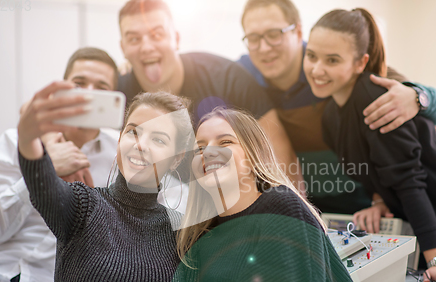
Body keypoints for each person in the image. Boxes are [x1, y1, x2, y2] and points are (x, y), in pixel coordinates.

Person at [238, 0, 436, 232]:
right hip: (315, 210)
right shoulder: (245, 79)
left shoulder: (337, 64)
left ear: (298, 31)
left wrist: (418, 97)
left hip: (370, 208)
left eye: (274, 34)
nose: (264, 47)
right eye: (253, 38)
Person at [304, 8, 436, 282]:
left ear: (360, 63)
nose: (317, 69)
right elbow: (377, 168)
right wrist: (379, 199)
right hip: (434, 233)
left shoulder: (374, 101)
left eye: (332, 60)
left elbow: (409, 182)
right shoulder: (332, 116)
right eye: (311, 56)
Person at [167, 109, 361, 282]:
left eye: (225, 142)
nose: (208, 152)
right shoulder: (202, 231)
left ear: (252, 156)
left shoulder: (280, 209)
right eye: (200, 148)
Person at [17, 89, 193, 282]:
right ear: (120, 138)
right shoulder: (82, 206)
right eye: (133, 132)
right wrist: (28, 137)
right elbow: (42, 182)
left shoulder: (182, 231)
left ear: (176, 158)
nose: (140, 145)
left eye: (159, 139)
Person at [0, 47, 120, 282]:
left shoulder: (121, 154)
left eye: (101, 88)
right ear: (62, 90)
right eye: (79, 84)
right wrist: (42, 168)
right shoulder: (18, 140)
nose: (88, 94)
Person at [117, 0, 307, 195]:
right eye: (134, 39)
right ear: (123, 47)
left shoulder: (228, 77)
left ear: (176, 37)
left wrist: (289, 218)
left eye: (157, 34)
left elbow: (278, 157)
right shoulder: (117, 94)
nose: (146, 47)